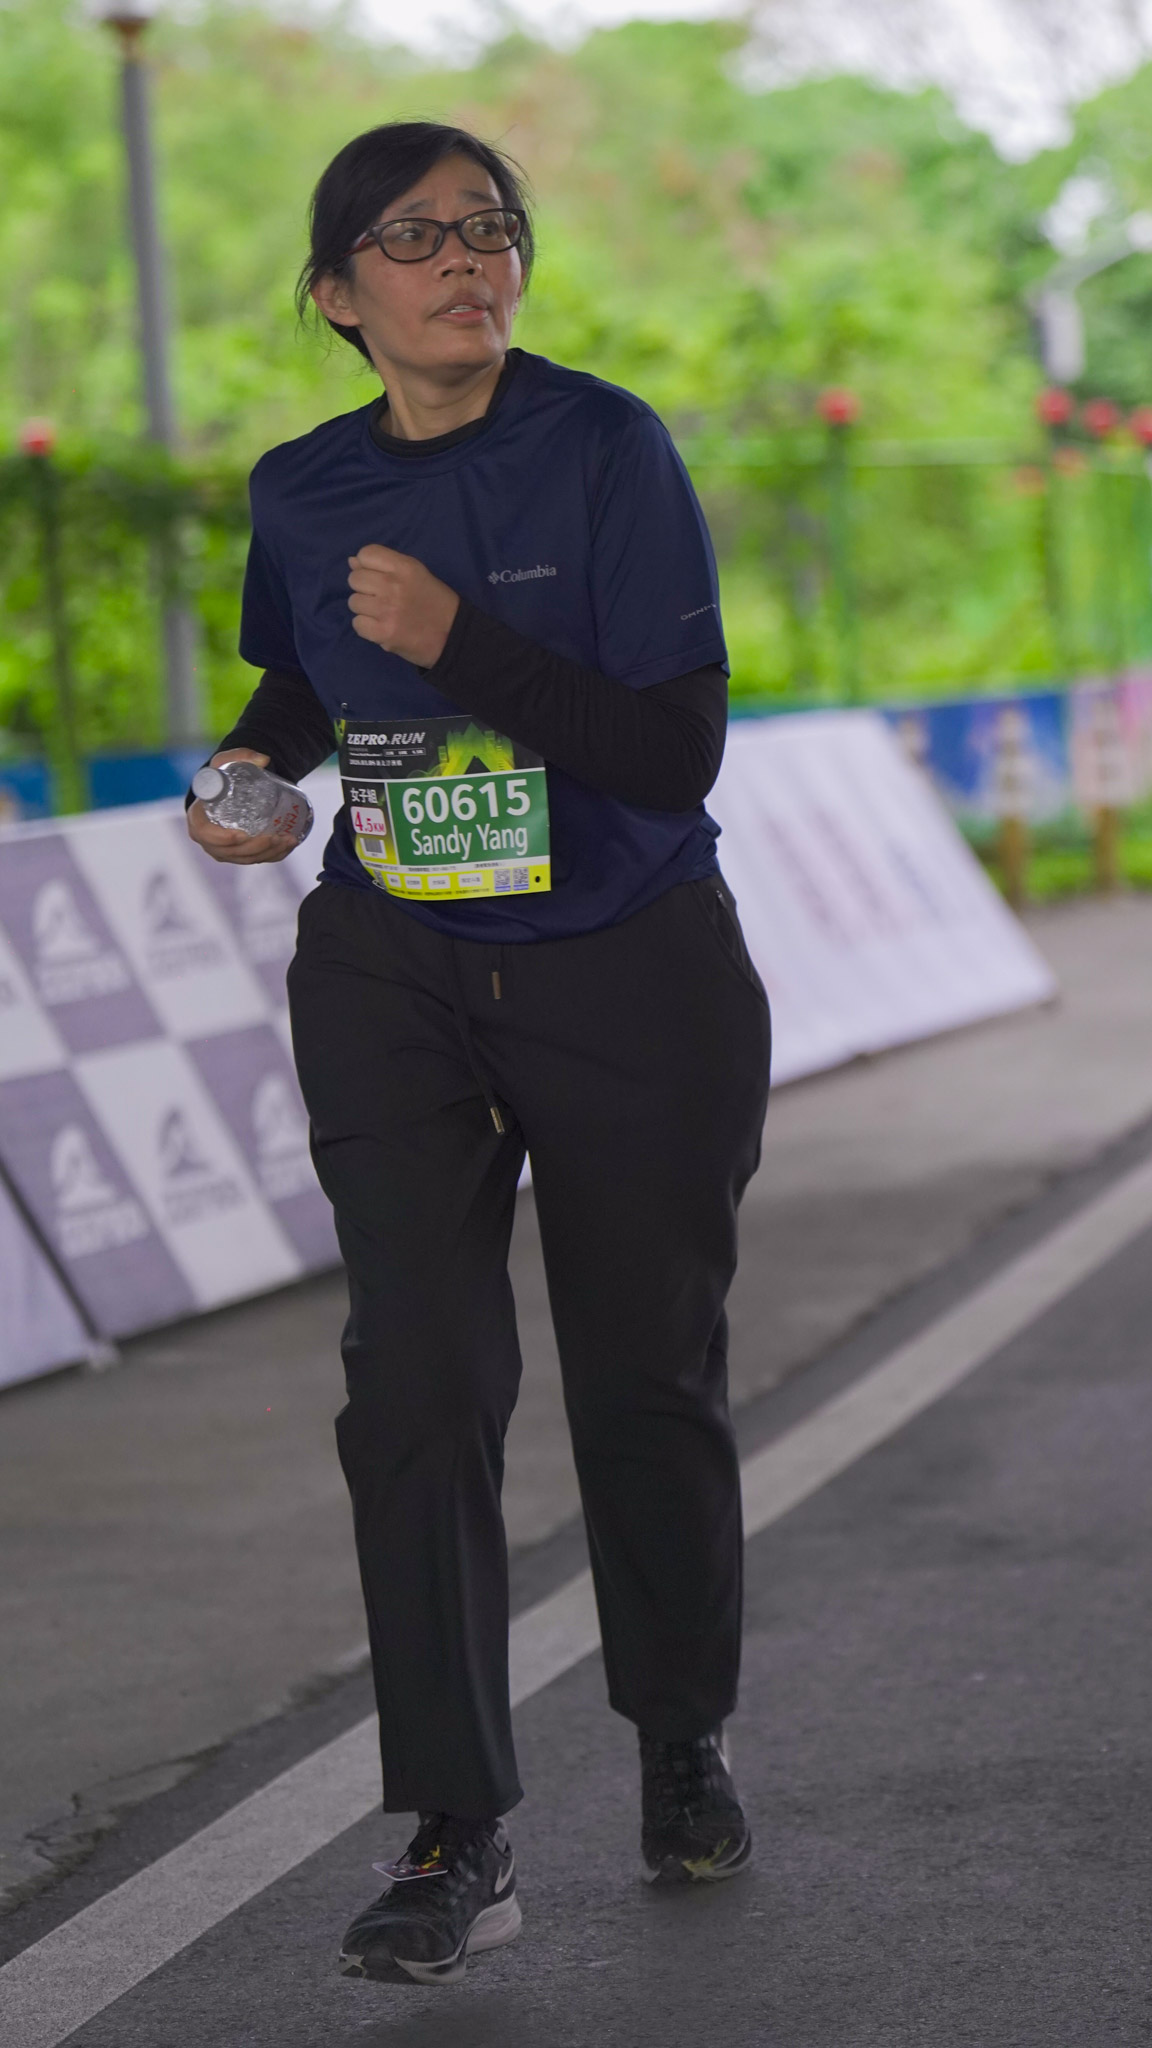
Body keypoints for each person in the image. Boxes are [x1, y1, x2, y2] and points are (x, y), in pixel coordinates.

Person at [187, 119, 772, 1988]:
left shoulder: (604, 447)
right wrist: (245, 773)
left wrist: (463, 645)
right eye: (415, 235)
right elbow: (304, 677)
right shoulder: (301, 488)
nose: (465, 259)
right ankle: (456, 1827)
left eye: (491, 226)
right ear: (336, 293)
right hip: (396, 965)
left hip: (630, 962)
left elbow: (675, 750)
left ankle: (678, 1735)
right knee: (418, 1381)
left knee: (643, 1376)